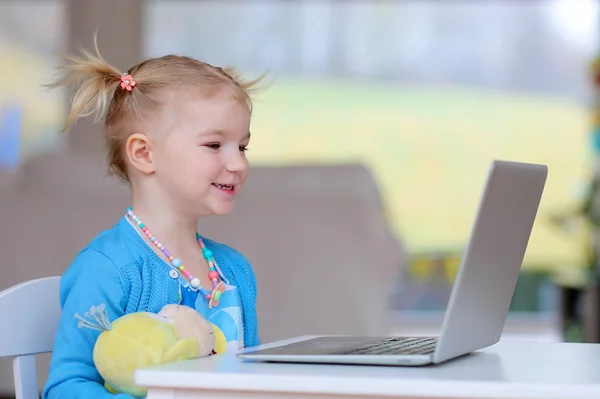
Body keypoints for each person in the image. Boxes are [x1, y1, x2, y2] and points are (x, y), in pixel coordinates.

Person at [41, 37, 264, 399]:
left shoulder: (234, 270)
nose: (238, 163)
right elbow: (66, 388)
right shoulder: (107, 269)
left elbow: (252, 380)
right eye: (214, 145)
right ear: (144, 153)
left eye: (242, 146)